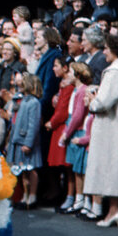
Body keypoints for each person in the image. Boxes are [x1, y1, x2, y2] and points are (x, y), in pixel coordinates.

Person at [83, 34, 118, 227]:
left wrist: (92, 100)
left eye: (106, 48)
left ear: (114, 50)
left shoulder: (114, 72)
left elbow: (103, 102)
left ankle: (113, 211)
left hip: (111, 126)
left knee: (113, 166)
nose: (104, 52)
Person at [61, 62, 95, 215]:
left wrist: (67, 133)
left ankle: (83, 200)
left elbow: (77, 115)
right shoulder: (76, 90)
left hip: (79, 131)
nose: (68, 75)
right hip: (73, 129)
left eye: (71, 72)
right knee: (76, 168)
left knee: (81, 168)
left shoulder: (81, 91)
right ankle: (78, 199)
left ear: (78, 75)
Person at [7, 73, 43, 208]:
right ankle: (25, 196)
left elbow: (33, 125)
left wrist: (28, 143)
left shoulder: (34, 103)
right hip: (18, 139)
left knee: (31, 169)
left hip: (27, 141)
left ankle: (32, 196)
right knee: (22, 169)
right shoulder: (23, 100)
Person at [46, 56, 75, 211]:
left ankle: (70, 197)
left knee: (68, 166)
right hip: (60, 126)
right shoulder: (63, 85)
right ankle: (67, 196)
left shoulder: (69, 86)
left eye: (56, 65)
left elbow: (64, 109)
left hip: (63, 127)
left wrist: (52, 122)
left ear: (65, 68)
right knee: (65, 167)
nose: (53, 68)